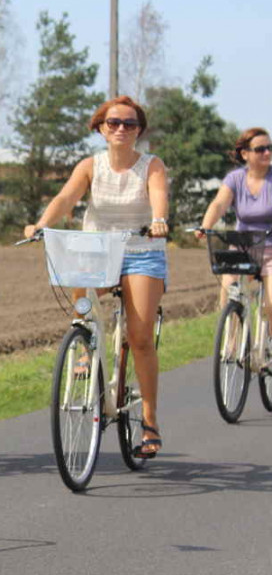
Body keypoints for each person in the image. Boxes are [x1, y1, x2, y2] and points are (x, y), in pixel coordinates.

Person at [23, 95, 169, 459]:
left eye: (130, 124)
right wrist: (41, 225)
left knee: (139, 335)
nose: (121, 129)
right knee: (81, 292)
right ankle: (85, 346)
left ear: (139, 130)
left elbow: (158, 196)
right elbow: (66, 198)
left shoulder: (151, 165)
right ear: (101, 128)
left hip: (141, 252)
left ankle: (149, 421)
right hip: (99, 251)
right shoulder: (91, 165)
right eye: (114, 123)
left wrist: (160, 219)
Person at [198, 127, 272, 320]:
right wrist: (206, 226)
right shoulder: (235, 178)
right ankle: (230, 346)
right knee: (229, 287)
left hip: (271, 248)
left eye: (269, 148)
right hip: (243, 245)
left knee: (270, 304)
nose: (267, 153)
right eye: (260, 149)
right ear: (245, 154)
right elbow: (219, 204)